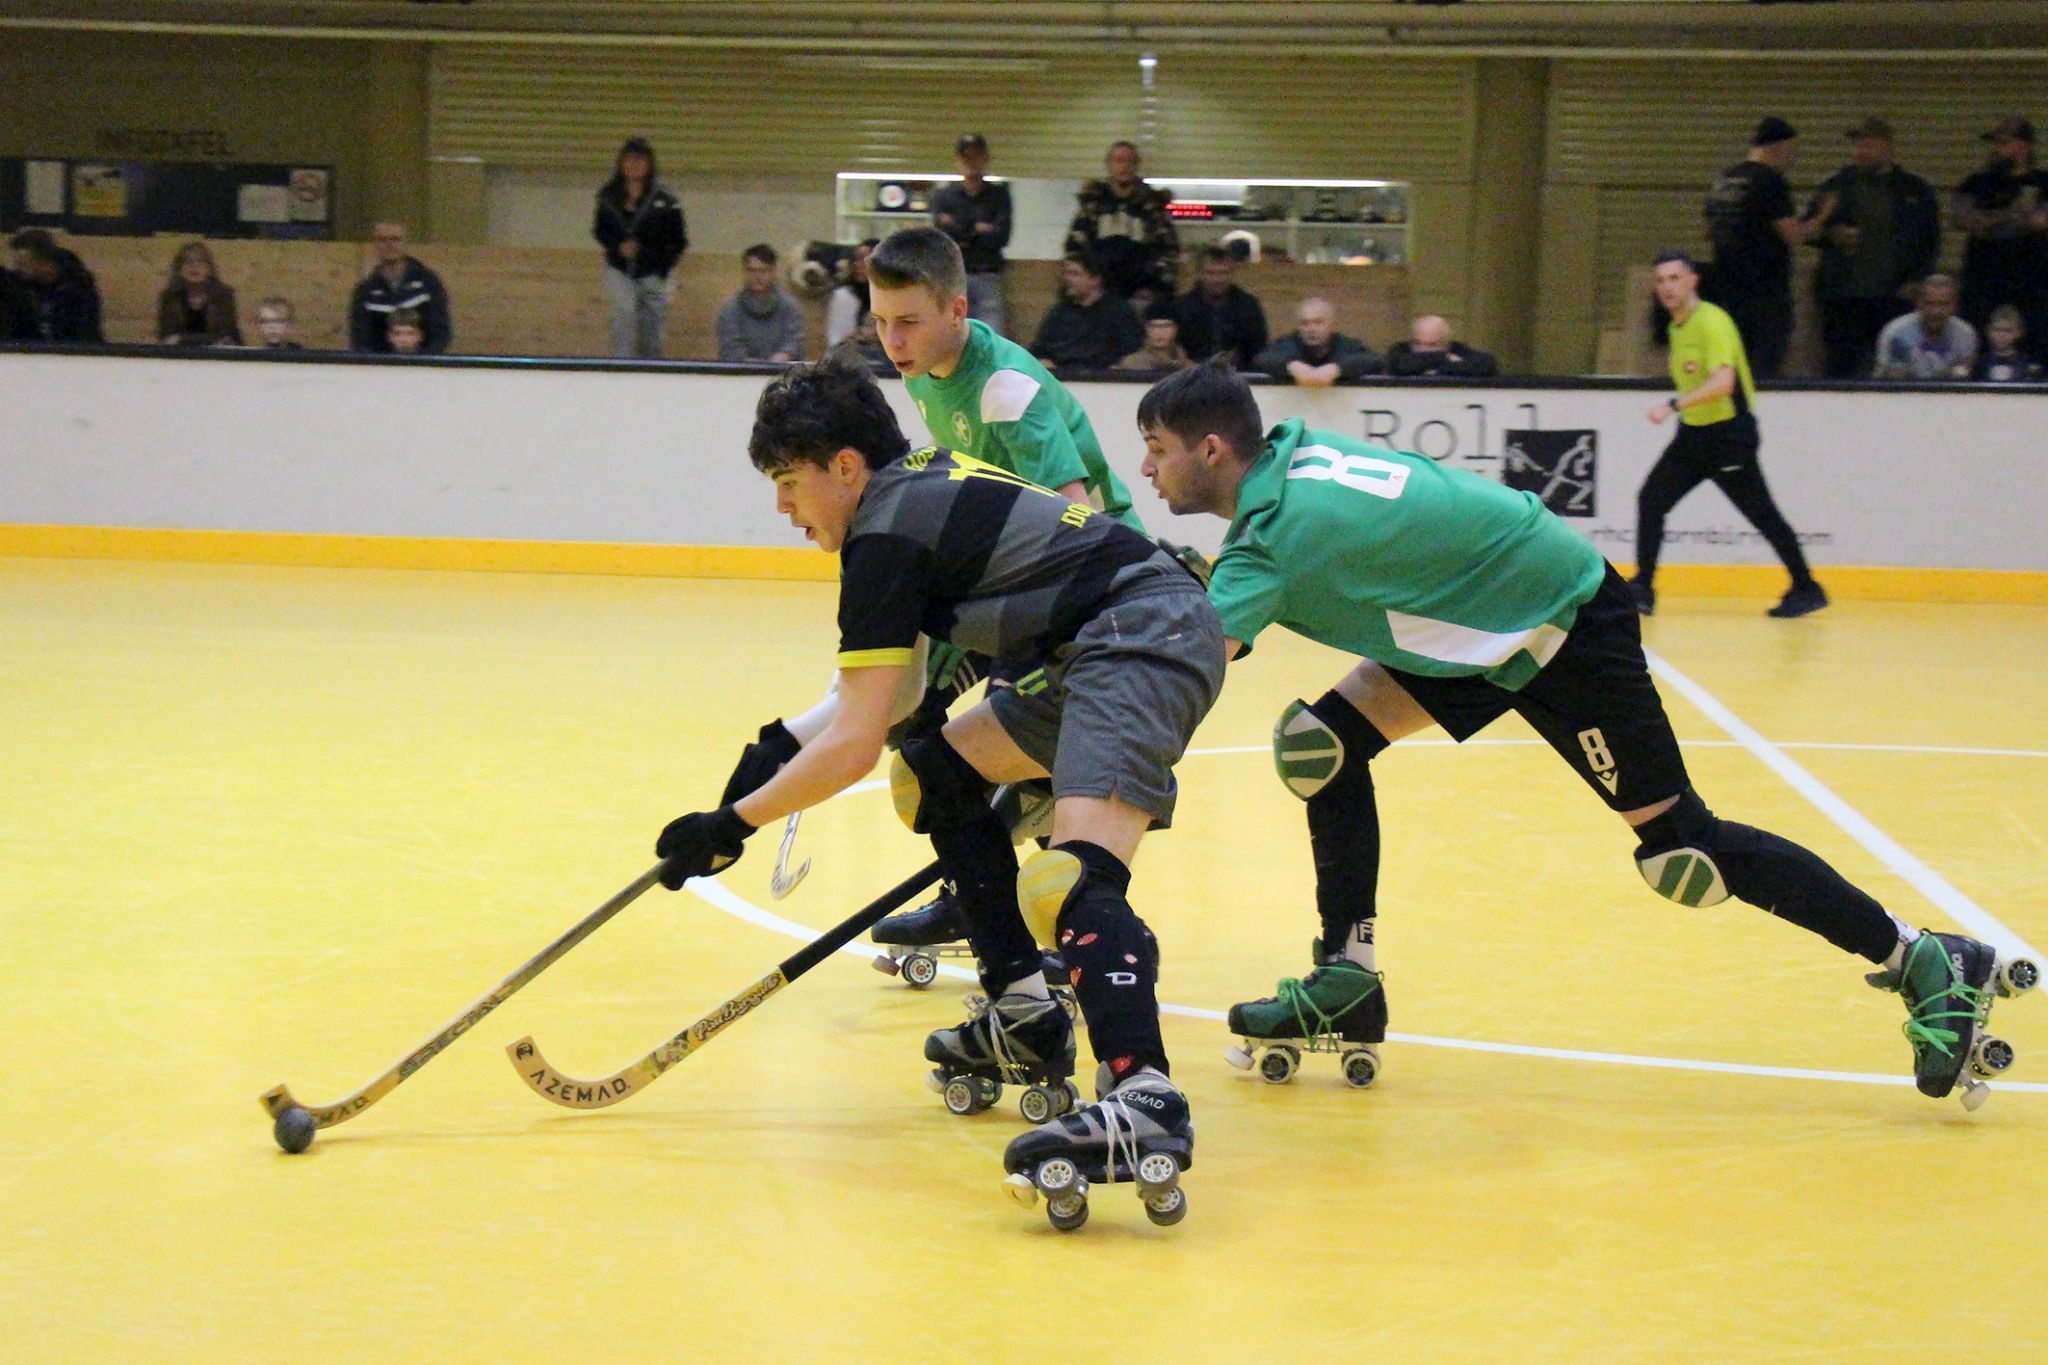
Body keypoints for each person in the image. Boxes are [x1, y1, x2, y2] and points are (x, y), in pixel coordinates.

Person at [1135, 358, 2036, 1111]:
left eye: (1158, 449)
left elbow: (1184, 663)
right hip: (1486, 618)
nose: (1147, 469)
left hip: (1560, 621)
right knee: (1320, 746)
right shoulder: (1294, 453)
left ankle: (1923, 956)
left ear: (1213, 449)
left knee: (1684, 852)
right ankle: (1348, 976)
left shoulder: (1272, 538)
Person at [653, 356, 1224, 1225]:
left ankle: (1144, 1096)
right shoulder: (911, 493)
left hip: (1139, 635)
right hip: (1105, 640)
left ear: (845, 466)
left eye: (788, 482)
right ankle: (1023, 1009)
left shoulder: (885, 535)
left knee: (1070, 880)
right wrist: (779, 750)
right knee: (935, 773)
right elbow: (899, 699)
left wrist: (730, 822)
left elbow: (853, 743)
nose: (783, 508)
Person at [867, 227, 1140, 528]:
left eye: (908, 322)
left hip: (1107, 539)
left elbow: (1077, 523)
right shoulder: (919, 368)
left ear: (957, 312)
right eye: (880, 321)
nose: (892, 341)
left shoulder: (1007, 389)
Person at [1631, 252, 1825, 619]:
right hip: (1693, 435)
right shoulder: (1677, 328)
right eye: (1660, 280)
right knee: (1652, 499)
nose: (1667, 287)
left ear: (1692, 281)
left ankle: (1806, 587)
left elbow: (1723, 383)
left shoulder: (1713, 321)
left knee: (1762, 514)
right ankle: (1642, 588)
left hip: (1727, 437)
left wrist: (1673, 405)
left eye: (1674, 278)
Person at [1806, 118, 1941, 379]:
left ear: (1887, 147)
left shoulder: (1914, 190)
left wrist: (1918, 279)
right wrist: (1831, 233)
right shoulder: (1837, 186)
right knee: (1839, 369)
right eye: (1858, 145)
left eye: (1868, 145)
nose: (1861, 152)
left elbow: (1930, 240)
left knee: (1895, 369)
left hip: (1894, 297)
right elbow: (1808, 229)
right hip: (1843, 297)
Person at [1702, 117, 1813, 379]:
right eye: (1791, 151)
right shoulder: (1770, 181)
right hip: (1765, 298)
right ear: (1779, 147)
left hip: (1726, 294)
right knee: (1764, 375)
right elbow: (1793, 235)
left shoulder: (1724, 180)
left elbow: (1708, 232)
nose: (1791, 159)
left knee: (1730, 372)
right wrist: (1821, 216)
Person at [1953, 116, 2048, 349]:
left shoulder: (2043, 183)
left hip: (2032, 283)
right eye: (1994, 143)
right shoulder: (1975, 183)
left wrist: (1991, 220)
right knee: (1979, 343)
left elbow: (2040, 221)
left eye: (2003, 143)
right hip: (1982, 282)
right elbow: (1965, 220)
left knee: (2034, 345)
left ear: (2023, 146)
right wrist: (2015, 215)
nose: (1996, 148)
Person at [593, 135, 688, 360]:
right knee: (623, 316)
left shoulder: (667, 200)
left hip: (655, 271)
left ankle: (650, 367)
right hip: (620, 269)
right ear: (621, 162)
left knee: (652, 332)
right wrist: (617, 247)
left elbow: (677, 240)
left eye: (640, 159)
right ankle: (621, 366)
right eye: (629, 159)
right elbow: (600, 230)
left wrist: (652, 257)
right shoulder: (608, 196)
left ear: (649, 164)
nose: (634, 164)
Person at [1064, 140, 1179, 304]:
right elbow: (1074, 249)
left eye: (1129, 161)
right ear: (1108, 165)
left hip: (1140, 295)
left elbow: (1169, 251)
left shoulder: (1152, 206)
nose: (1124, 166)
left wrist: (1153, 288)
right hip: (1097, 295)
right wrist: (1086, 286)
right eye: (1118, 161)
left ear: (1137, 165)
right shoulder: (1093, 204)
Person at [930, 134, 1012, 335]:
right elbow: (943, 239)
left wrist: (957, 225)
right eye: (966, 157)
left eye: (976, 156)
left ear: (986, 160)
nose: (971, 162)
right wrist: (979, 228)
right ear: (957, 161)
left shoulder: (999, 195)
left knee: (991, 336)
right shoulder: (943, 196)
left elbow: (1002, 236)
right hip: (954, 278)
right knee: (954, 336)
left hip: (988, 274)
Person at [1029, 251, 1142, 373]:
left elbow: (1132, 349)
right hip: (1061, 375)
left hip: (1104, 377)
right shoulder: (1059, 311)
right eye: (1065, 274)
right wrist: (1043, 361)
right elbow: (1039, 349)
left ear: (1095, 280)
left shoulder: (1118, 311)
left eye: (1075, 274)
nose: (1067, 279)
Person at [348, 222, 452, 354]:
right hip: (379, 365)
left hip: (423, 363)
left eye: (395, 239)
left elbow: (441, 332)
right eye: (382, 240)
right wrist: (381, 363)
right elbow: (360, 340)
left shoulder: (428, 282)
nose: (389, 244)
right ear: (374, 245)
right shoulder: (364, 292)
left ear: (405, 243)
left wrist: (420, 361)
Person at [1169, 246, 1268, 371]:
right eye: (1211, 273)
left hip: (1240, 375)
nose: (1217, 279)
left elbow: (1259, 349)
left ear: (1231, 274)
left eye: (1223, 273)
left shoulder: (1249, 306)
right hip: (1190, 374)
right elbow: (1174, 349)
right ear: (1199, 274)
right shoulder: (1180, 307)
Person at [1254, 297, 1382, 386]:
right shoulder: (1288, 344)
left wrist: (1337, 369)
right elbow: (1262, 359)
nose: (1311, 329)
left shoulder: (1345, 345)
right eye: (1305, 323)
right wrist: (1290, 366)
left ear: (1331, 324)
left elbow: (1375, 361)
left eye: (1318, 322)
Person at [1872, 274, 1979, 380]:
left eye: (1944, 304)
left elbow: (1963, 375)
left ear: (1955, 305)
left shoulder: (1965, 335)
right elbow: (1888, 377)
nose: (1936, 311)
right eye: (1929, 303)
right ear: (1918, 303)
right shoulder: (1896, 333)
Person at [8, 229, 104, 344]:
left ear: (43, 262)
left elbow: (85, 331)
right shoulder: (21, 286)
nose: (17, 268)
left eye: (23, 264)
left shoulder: (78, 286)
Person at [716, 244, 803, 363]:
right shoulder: (729, 309)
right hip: (743, 372)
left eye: (764, 271)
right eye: (751, 270)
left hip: (782, 370)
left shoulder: (790, 307)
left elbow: (793, 342)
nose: (757, 277)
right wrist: (756, 367)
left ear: (773, 272)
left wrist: (777, 361)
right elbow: (730, 348)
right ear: (744, 272)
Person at [154, 240, 241, 346]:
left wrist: (182, 339)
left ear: (209, 269)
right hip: (179, 355)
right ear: (179, 269)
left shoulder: (224, 295)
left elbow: (224, 337)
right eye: (188, 261)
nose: (194, 266)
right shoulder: (169, 297)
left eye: (200, 261)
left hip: (217, 354)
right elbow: (167, 337)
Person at [1384, 315, 1499, 378]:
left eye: (1433, 344)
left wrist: (1437, 368)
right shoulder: (1401, 349)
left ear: (1445, 342)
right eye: (1420, 343)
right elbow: (1401, 366)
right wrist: (1444, 358)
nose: (1425, 349)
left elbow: (1486, 364)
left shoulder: (1457, 349)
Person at [824, 239, 878, 349]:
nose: (859, 265)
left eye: (866, 260)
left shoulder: (893, 298)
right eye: (856, 259)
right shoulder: (843, 296)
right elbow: (836, 340)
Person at [1971, 304, 2043, 382]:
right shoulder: (1978, 365)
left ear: (2018, 332)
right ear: (1988, 331)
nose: (2001, 335)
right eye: (1997, 330)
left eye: (2007, 331)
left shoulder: (2027, 365)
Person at [1114, 307, 1194, 373]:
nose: (1159, 332)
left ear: (1176, 329)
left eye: (1166, 326)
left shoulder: (1190, 368)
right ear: (1146, 329)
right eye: (1153, 326)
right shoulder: (1130, 364)